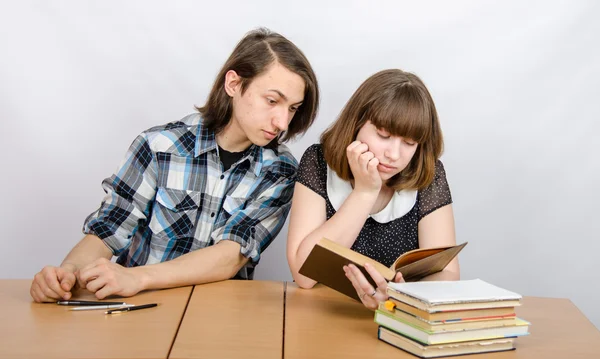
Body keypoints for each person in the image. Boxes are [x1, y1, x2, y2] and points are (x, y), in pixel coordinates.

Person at [30, 28, 320, 303]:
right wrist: (66, 272)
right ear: (233, 84)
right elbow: (109, 229)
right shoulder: (158, 146)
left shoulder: (280, 171)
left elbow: (231, 256)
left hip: (219, 319)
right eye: (272, 100)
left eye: (293, 108)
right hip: (135, 309)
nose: (282, 122)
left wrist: (137, 278)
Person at [287, 69, 458, 310]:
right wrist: (365, 192)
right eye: (383, 135)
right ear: (356, 123)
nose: (394, 155)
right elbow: (304, 273)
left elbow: (448, 274)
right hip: (321, 314)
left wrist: (399, 297)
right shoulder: (317, 162)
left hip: (398, 317)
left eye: (409, 143)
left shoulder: (429, 174)